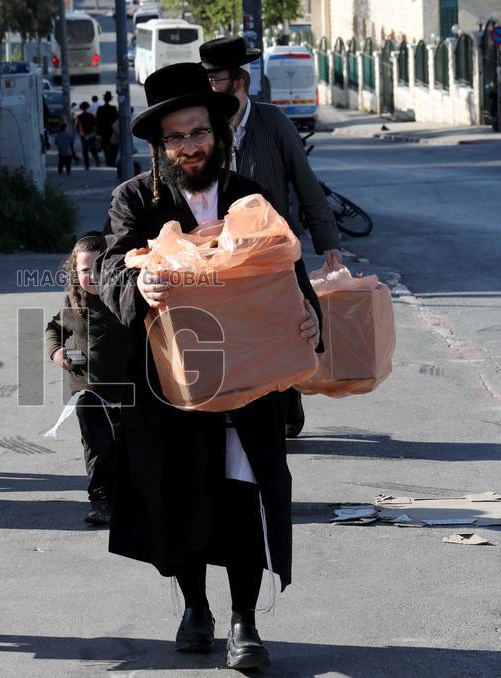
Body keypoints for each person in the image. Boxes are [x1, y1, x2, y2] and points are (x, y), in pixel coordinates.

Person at [95, 62, 323, 671]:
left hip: (249, 382)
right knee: (182, 492)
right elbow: (111, 268)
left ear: (217, 134)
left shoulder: (251, 196)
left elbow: (286, 267)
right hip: (171, 383)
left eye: (199, 132)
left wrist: (310, 316)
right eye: (176, 137)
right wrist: (139, 286)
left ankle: (245, 620)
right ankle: (195, 608)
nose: (190, 146)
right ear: (159, 145)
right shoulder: (134, 200)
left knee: (243, 495)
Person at [200, 36, 343, 438]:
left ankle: (288, 403)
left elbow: (305, 182)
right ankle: (243, 407)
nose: (210, 87)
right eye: (206, 79)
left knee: (291, 326)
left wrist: (328, 242)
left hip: (277, 251)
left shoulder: (273, 121)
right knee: (238, 331)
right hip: (224, 254)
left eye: (216, 79)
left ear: (239, 82)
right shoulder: (204, 127)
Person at [45, 232, 129, 525]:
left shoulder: (127, 297)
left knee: (128, 447)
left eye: (98, 268)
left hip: (129, 390)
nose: (91, 275)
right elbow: (54, 328)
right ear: (74, 272)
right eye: (84, 270)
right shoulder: (73, 302)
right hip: (89, 391)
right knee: (96, 446)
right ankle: (100, 500)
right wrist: (57, 352)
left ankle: (130, 499)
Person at [96, 91, 119, 166]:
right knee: (112, 146)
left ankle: (107, 159)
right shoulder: (113, 108)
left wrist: (98, 132)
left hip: (103, 131)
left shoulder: (100, 108)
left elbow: (98, 120)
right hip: (111, 131)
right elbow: (116, 119)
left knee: (104, 146)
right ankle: (111, 160)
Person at [75, 101, 100, 170]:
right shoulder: (91, 115)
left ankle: (87, 165)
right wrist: (95, 132)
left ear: (81, 108)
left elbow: (77, 126)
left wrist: (80, 133)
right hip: (91, 134)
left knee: (85, 150)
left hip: (83, 135)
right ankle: (97, 160)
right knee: (93, 149)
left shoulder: (79, 116)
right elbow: (95, 124)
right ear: (87, 107)